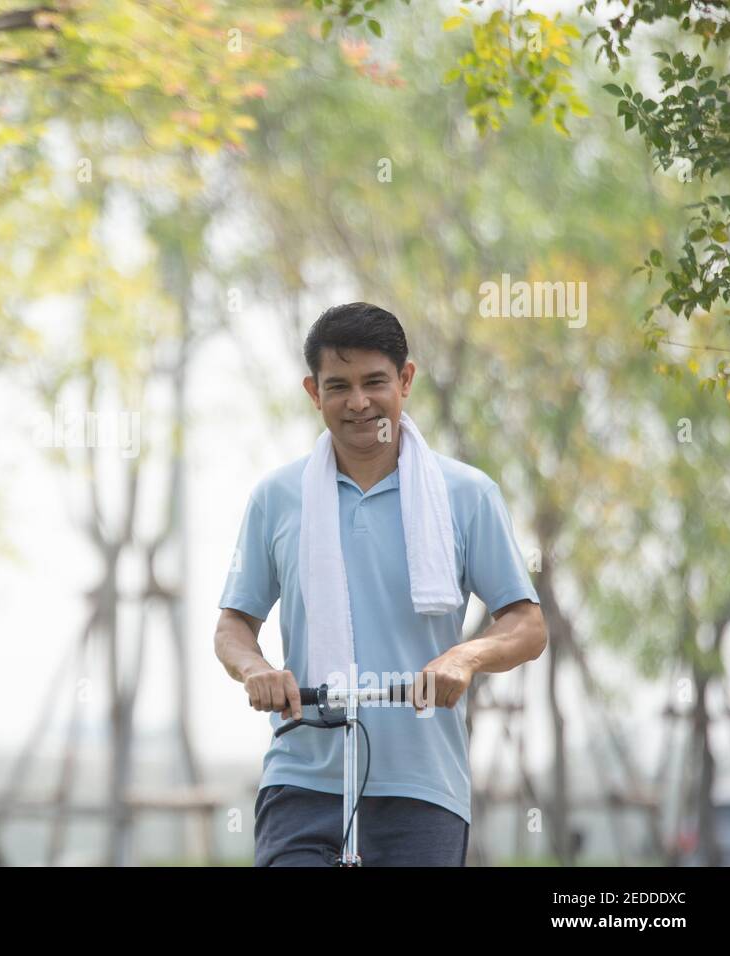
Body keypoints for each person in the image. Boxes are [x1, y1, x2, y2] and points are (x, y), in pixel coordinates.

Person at [214, 302, 547, 866]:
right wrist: (258, 670)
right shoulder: (277, 498)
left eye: (375, 382)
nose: (359, 402)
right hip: (302, 780)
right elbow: (233, 625)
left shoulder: (467, 495)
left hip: (422, 785)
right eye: (338, 386)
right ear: (313, 392)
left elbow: (527, 625)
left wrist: (466, 657)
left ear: (406, 380)